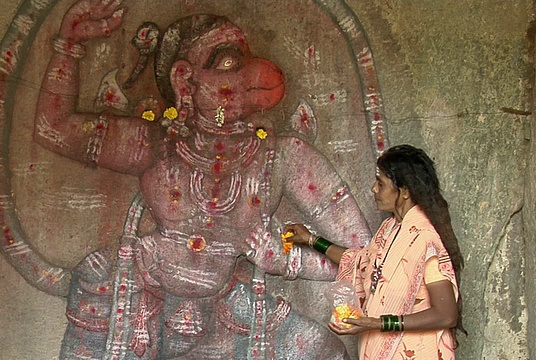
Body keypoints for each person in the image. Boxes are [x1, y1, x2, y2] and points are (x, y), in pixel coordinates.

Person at [33, 0, 373, 358]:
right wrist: (68, 46)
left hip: (234, 312)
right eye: (229, 63)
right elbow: (53, 128)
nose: (256, 72)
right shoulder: (155, 145)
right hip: (135, 303)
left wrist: (285, 261)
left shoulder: (281, 157)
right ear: (184, 80)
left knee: (325, 353)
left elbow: (364, 259)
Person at [284, 144, 467, 360]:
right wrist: (311, 240)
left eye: (381, 183)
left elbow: (446, 315)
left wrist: (378, 323)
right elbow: (359, 262)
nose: (374, 189)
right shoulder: (389, 230)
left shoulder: (425, 240)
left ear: (405, 191)